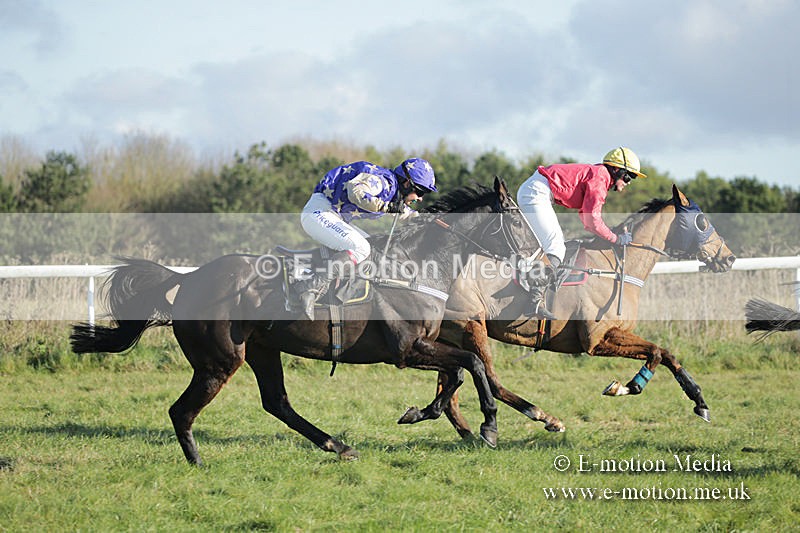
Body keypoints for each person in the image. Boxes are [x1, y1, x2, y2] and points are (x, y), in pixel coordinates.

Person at [295, 157, 437, 319]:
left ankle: (340, 299)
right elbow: (355, 191)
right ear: (407, 184)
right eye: (420, 192)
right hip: (319, 212)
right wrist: (385, 207)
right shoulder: (382, 182)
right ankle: (309, 287)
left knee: (373, 249)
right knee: (361, 248)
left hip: (333, 215)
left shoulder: (392, 191)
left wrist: (428, 219)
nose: (420, 198)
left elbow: (406, 214)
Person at [516, 146, 646, 319]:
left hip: (535, 190)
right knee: (556, 247)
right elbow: (592, 221)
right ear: (616, 170)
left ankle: (527, 284)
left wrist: (610, 235)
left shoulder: (599, 175)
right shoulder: (600, 178)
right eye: (628, 176)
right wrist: (616, 239)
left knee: (548, 246)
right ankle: (534, 301)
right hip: (537, 193)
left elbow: (587, 219)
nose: (628, 182)